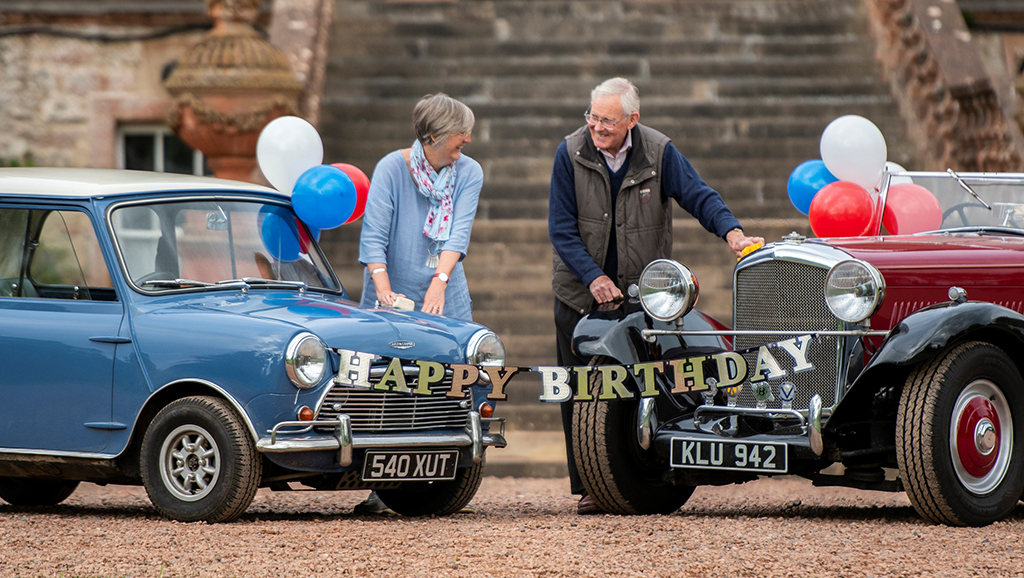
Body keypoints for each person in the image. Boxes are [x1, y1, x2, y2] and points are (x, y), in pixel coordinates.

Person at [547, 77, 764, 515]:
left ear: (633, 119)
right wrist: (592, 277)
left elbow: (699, 196)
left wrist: (732, 232)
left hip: (640, 293)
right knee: (580, 390)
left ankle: (644, 471)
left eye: (607, 120)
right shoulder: (569, 153)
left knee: (641, 380)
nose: (597, 127)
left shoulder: (660, 150)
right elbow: (561, 230)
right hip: (579, 291)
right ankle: (589, 485)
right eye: (592, 116)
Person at [355, 93, 483, 515]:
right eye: (458, 138)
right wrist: (384, 292)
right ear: (432, 136)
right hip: (388, 286)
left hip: (446, 289)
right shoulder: (392, 168)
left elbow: (458, 234)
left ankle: (452, 473)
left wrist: (440, 282)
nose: (465, 144)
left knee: (454, 379)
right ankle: (378, 484)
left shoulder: (469, 172)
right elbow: (374, 236)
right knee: (382, 385)